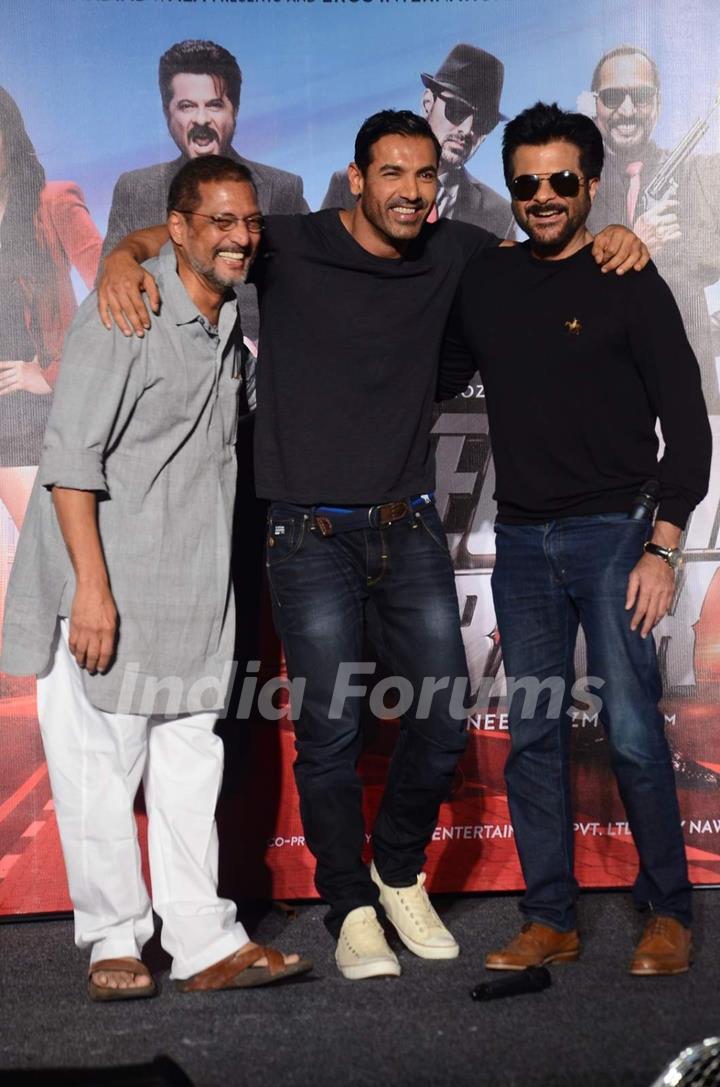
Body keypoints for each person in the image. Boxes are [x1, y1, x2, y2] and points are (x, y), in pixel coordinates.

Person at [95, 112, 647, 981]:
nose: (410, 191)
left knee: (441, 716)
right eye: (391, 173)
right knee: (331, 733)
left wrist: (615, 234)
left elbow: (550, 239)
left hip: (407, 522)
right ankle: (349, 902)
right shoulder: (284, 241)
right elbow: (181, 235)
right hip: (303, 532)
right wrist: (123, 261)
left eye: (423, 175)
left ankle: (395, 869)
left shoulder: (457, 250)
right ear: (355, 179)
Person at [0, 156, 311, 999]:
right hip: (105, 587)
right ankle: (113, 940)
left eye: (249, 221)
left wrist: (126, 250)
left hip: (194, 593)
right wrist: (91, 592)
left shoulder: (223, 329)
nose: (242, 237)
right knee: (100, 770)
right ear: (178, 231)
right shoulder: (122, 314)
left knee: (188, 769)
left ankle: (204, 936)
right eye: (219, 222)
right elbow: (70, 465)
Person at [441, 102, 711, 975]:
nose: (545, 195)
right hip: (521, 542)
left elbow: (691, 429)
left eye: (563, 180)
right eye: (528, 182)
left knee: (633, 728)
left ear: (591, 183)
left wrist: (664, 545)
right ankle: (549, 913)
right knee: (533, 735)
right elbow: (431, 368)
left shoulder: (628, 276)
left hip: (618, 533)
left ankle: (667, 911)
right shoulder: (486, 279)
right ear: (512, 190)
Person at [101, 39, 309, 345]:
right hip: (158, 367)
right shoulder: (134, 190)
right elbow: (108, 294)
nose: (201, 120)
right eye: (186, 106)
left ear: (234, 111)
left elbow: (310, 287)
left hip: (251, 372)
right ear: (166, 113)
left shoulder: (281, 189)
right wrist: (120, 259)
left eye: (214, 105)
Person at [0, 86, 102, 651]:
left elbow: (117, 294)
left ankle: (92, 712)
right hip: (3, 421)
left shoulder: (54, 202)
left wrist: (55, 372)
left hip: (43, 414)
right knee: (45, 573)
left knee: (67, 569)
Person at [586, 44, 720, 412]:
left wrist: (709, 329)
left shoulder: (702, 177)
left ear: (657, 105)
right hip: (600, 401)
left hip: (688, 403)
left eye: (641, 97)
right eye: (613, 97)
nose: (627, 111)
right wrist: (636, 246)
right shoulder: (572, 193)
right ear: (595, 107)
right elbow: (556, 300)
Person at [321, 44, 515, 238]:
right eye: (456, 110)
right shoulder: (347, 186)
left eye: (483, 122)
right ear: (427, 103)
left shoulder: (501, 215)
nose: (467, 130)